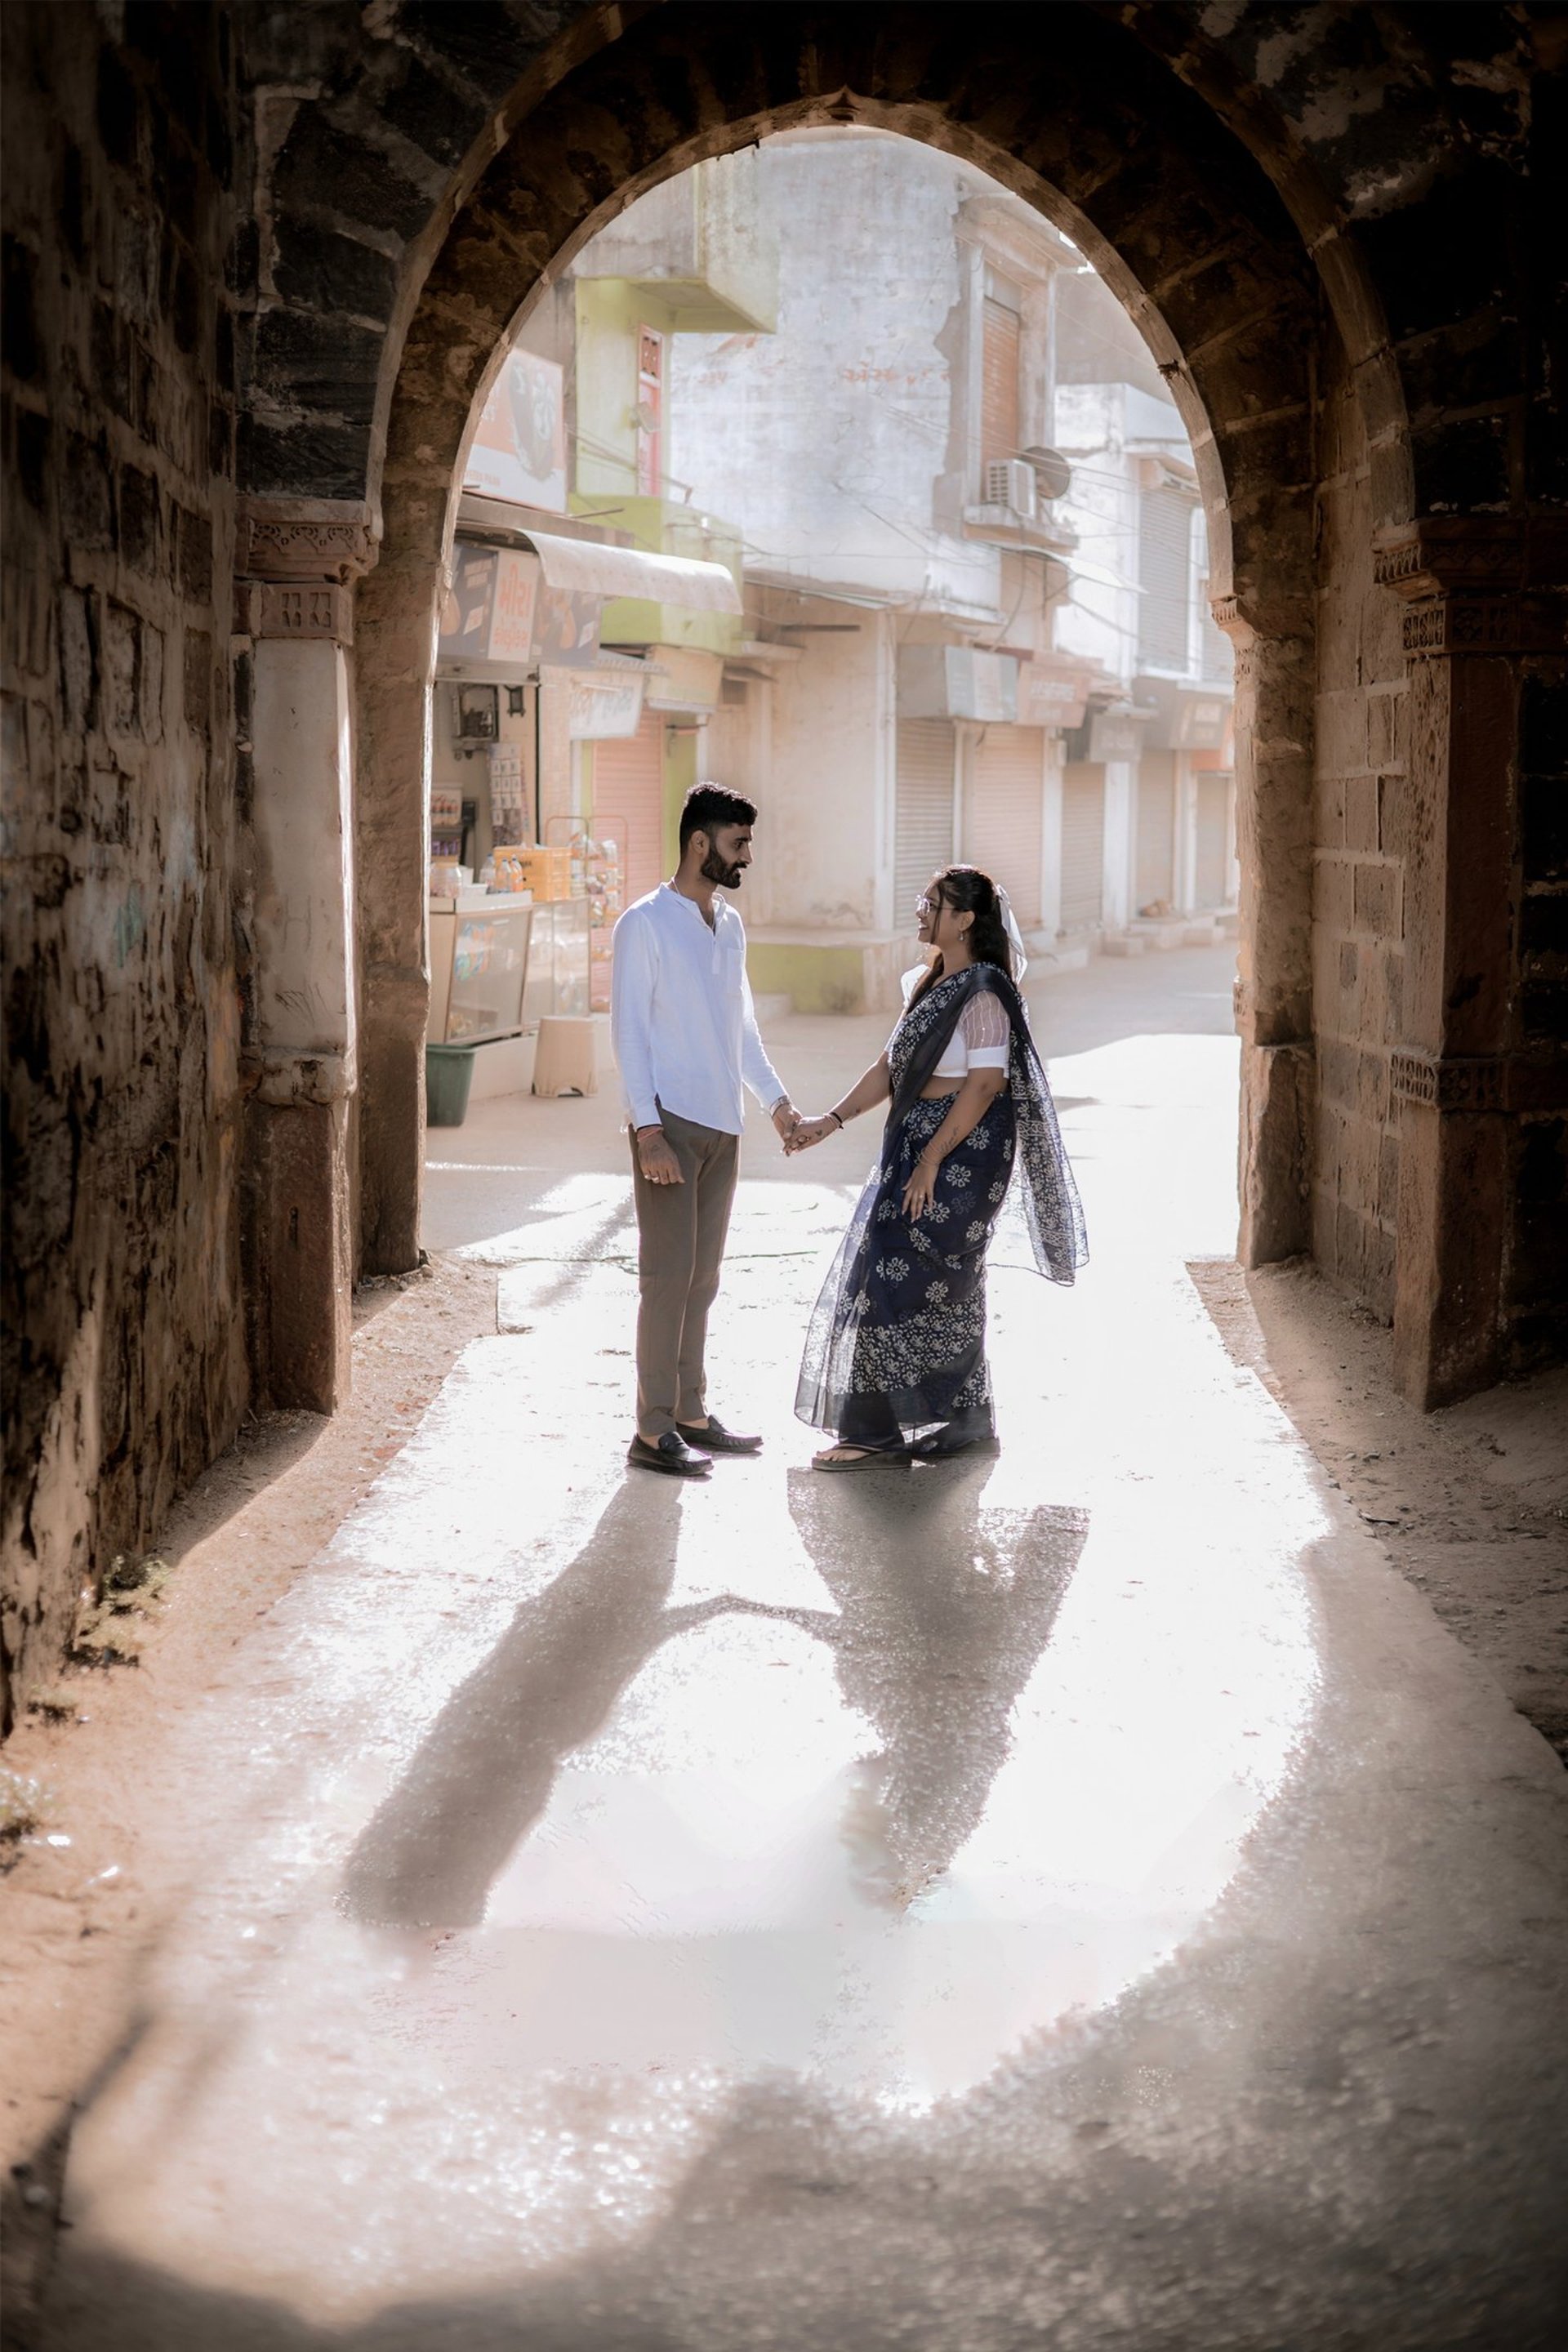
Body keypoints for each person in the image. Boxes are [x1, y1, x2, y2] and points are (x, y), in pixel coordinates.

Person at [787, 865, 1086, 1469]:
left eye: (932, 903)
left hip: (960, 1158)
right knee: (942, 1288)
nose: (920, 911)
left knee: (889, 1278)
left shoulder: (983, 991)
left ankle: (874, 1434)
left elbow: (983, 1086)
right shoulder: (930, 984)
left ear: (965, 919)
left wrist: (929, 1160)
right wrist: (831, 1120)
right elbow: (889, 1067)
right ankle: (968, 1424)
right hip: (921, 1146)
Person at [611, 784, 800, 1478]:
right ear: (700, 843)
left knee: (704, 1279)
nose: (747, 855)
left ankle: (690, 1412)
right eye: (738, 843)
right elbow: (628, 1032)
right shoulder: (645, 923)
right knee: (667, 1278)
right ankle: (652, 1429)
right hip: (671, 1124)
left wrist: (777, 1104)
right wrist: (647, 1130)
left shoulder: (730, 925)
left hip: (725, 1124)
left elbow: (739, 1026)